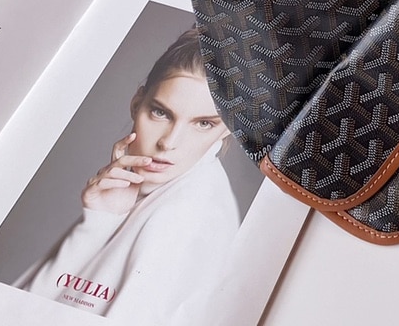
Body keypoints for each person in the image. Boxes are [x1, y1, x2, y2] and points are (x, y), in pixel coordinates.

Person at [16, 27, 240, 321]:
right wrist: (98, 222)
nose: (169, 143)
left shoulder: (188, 217)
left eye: (203, 124)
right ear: (137, 104)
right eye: (161, 113)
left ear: (227, 129)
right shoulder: (153, 191)